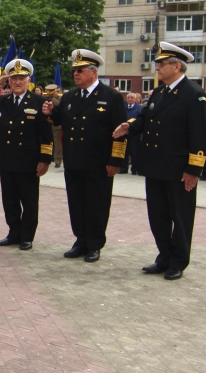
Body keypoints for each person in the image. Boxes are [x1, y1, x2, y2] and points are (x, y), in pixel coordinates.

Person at [113, 42, 206, 281]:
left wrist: (193, 169)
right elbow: (145, 119)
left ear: (177, 66)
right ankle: (164, 256)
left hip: (178, 169)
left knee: (181, 217)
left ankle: (178, 261)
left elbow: (200, 135)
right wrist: (130, 126)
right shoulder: (159, 92)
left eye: (161, 64)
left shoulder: (194, 94)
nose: (156, 68)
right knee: (158, 216)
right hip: (155, 166)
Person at [42, 49, 127, 263]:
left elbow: (120, 131)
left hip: (99, 162)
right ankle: (80, 240)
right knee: (76, 202)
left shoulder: (111, 96)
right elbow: (59, 119)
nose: (76, 74)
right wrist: (50, 112)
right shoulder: (70, 96)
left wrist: (115, 160)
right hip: (75, 161)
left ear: (93, 71)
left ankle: (95, 244)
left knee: (97, 204)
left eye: (80, 70)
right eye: (74, 71)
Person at [0, 60, 52, 250]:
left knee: (28, 200)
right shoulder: (2, 100)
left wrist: (45, 159)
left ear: (29, 80)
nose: (17, 82)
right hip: (6, 158)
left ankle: (27, 236)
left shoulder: (39, 102)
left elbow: (46, 134)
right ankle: (14, 233)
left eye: (21, 78)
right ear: (8, 81)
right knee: (9, 200)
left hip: (28, 160)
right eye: (13, 79)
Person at [122, 92, 142, 174]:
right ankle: (123, 168)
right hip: (124, 133)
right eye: (128, 98)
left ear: (135, 99)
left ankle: (134, 169)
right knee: (124, 151)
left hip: (134, 133)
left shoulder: (138, 108)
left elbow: (139, 119)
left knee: (134, 152)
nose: (130, 99)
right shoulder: (123, 107)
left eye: (131, 98)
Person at [45, 84, 63, 168]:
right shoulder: (46, 98)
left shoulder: (61, 98)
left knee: (57, 143)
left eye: (57, 91)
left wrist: (52, 98)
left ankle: (57, 160)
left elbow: (58, 106)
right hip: (47, 124)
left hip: (56, 126)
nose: (55, 92)